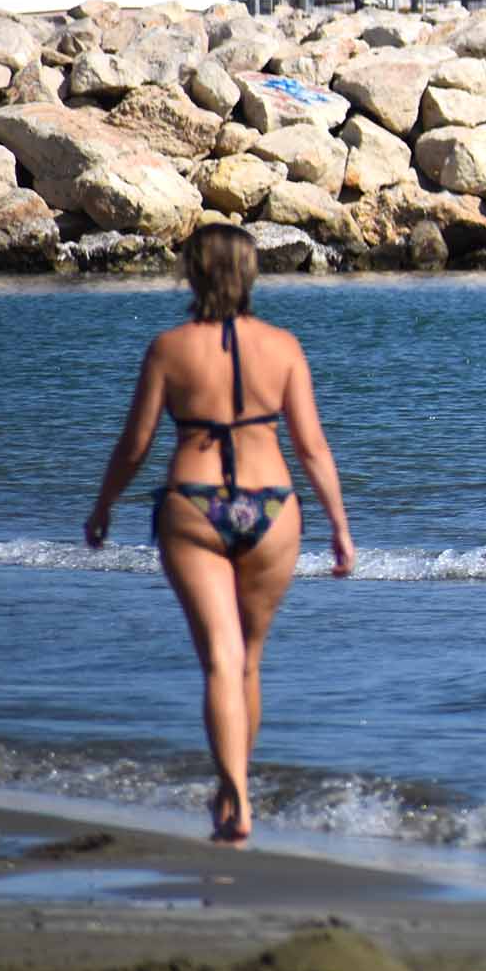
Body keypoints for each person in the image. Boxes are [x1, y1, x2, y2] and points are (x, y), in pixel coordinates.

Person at [85, 224, 354, 845]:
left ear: (194, 274)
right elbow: (312, 447)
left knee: (219, 660)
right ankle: (242, 788)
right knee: (250, 662)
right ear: (250, 274)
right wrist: (340, 526)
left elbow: (136, 444)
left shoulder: (169, 348)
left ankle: (230, 788)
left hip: (194, 504)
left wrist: (104, 505)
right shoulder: (284, 347)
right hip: (273, 509)